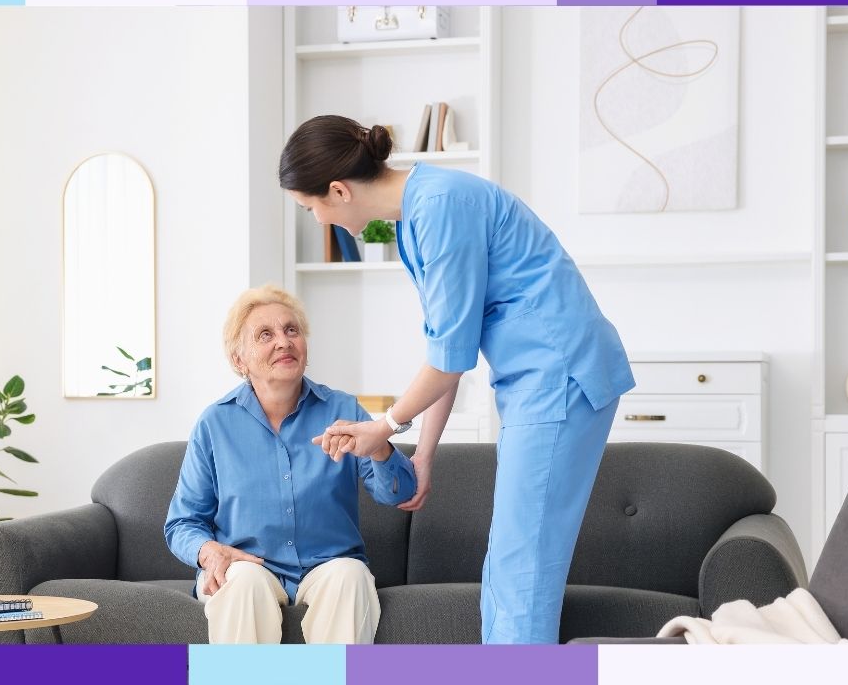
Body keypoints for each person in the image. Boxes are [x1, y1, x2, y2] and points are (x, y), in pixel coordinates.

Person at [278, 115, 635, 644]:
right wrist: (423, 452)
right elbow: (447, 347)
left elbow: (451, 359)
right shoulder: (414, 220)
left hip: (561, 373)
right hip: (535, 381)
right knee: (509, 560)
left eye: (312, 209)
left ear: (337, 190)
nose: (318, 220)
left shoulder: (440, 206)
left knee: (523, 563)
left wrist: (388, 424)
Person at [164, 285, 417, 644]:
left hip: (329, 566)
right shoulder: (214, 424)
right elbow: (182, 523)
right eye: (265, 335)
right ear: (240, 360)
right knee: (243, 583)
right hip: (248, 566)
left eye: (291, 330)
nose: (283, 341)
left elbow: (401, 494)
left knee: (351, 576)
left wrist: (379, 448)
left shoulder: (343, 411)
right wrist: (208, 552)